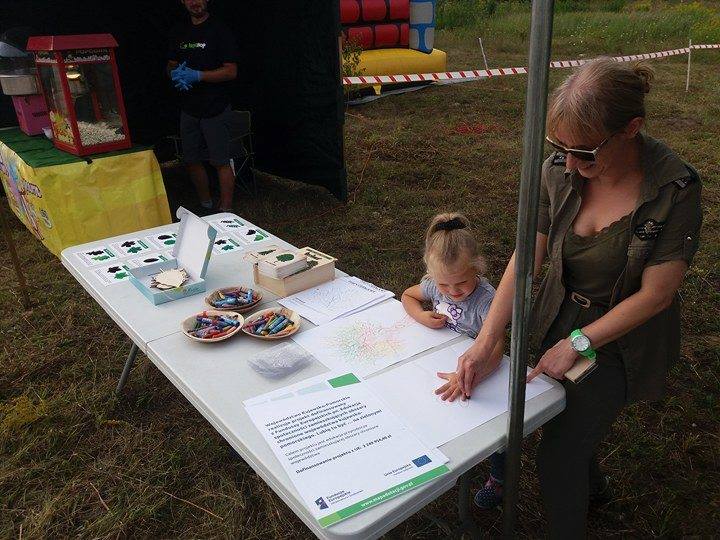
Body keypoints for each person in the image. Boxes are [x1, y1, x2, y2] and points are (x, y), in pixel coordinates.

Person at [436, 58, 703, 537]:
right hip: (557, 312)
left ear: (631, 129)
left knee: (557, 457)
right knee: (558, 412)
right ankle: (592, 485)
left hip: (622, 336)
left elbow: (656, 295)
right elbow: (526, 258)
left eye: (585, 153)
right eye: (560, 148)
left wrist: (580, 342)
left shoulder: (674, 189)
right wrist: (486, 341)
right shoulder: (558, 169)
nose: (572, 165)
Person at [401, 212, 504, 369]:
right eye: (443, 284)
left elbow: (497, 347)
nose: (453, 290)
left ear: (477, 268)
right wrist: (420, 315)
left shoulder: (486, 301)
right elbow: (408, 295)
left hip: (466, 360)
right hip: (434, 354)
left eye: (462, 282)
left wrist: (474, 374)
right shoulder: (434, 286)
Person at [167, 0, 238, 212]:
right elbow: (170, 64)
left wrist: (199, 75)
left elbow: (231, 71)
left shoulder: (220, 30)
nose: (195, 2)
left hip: (215, 107)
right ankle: (205, 205)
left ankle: (226, 211)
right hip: (188, 108)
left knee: (221, 161)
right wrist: (175, 75)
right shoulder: (178, 31)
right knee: (191, 159)